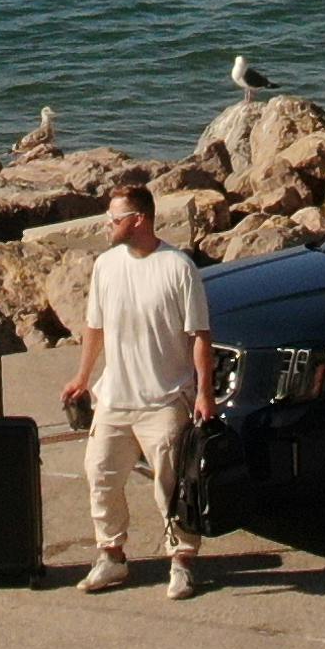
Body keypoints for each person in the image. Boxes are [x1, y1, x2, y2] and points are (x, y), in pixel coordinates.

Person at [61, 181, 215, 598]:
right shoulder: (107, 266)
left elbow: (200, 335)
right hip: (115, 398)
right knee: (100, 474)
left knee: (171, 485)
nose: (107, 226)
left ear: (139, 220)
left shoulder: (178, 267)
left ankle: (181, 560)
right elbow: (95, 326)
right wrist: (83, 378)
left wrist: (204, 394)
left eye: (114, 219)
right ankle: (111, 556)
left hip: (165, 400)